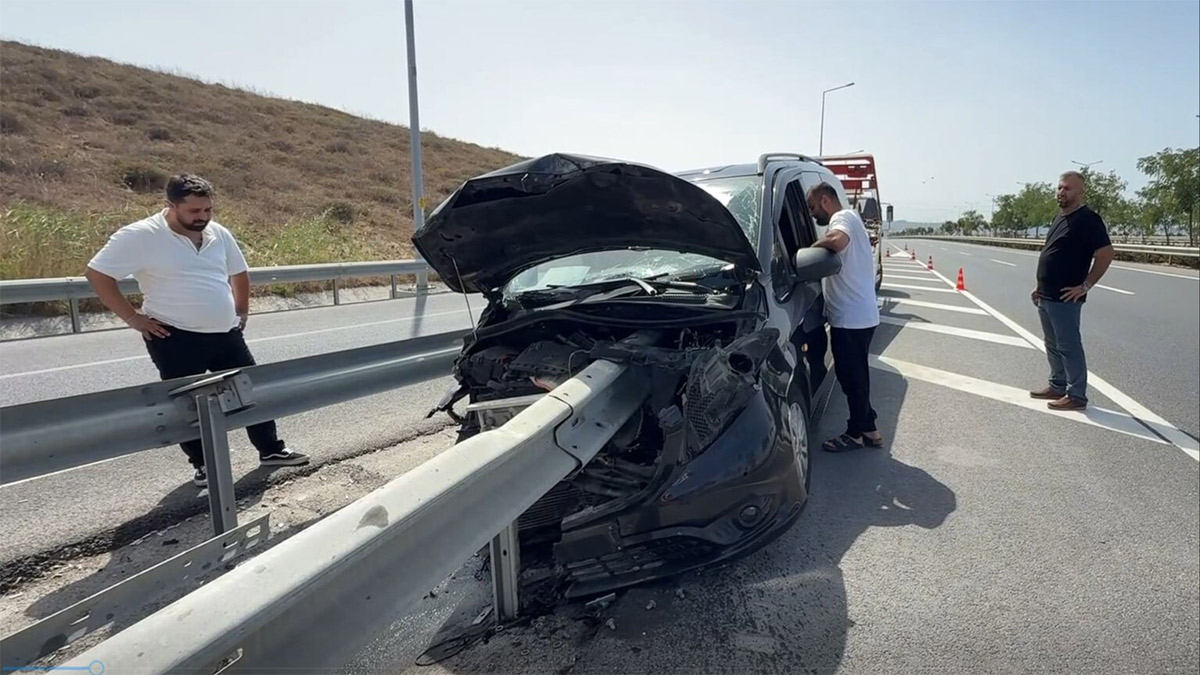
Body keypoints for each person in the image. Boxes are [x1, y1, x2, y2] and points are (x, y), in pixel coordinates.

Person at [85, 174, 309, 487]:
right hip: (175, 337)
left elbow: (239, 272)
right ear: (171, 205)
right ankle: (204, 465)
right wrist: (134, 318)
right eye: (194, 212)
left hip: (226, 333)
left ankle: (271, 450)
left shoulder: (218, 233)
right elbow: (97, 274)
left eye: (207, 210)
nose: (202, 217)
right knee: (189, 405)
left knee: (249, 392)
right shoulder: (139, 236)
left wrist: (241, 310)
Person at [806, 182, 884, 452]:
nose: (813, 214)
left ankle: (857, 434)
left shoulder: (842, 218)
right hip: (857, 315)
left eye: (814, 207)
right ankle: (870, 429)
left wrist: (807, 251)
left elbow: (837, 241)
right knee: (855, 376)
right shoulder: (850, 218)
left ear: (826, 200)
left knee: (852, 378)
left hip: (851, 318)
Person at [1029, 170, 1115, 411]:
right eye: (1059, 188)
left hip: (1066, 297)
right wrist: (1039, 285)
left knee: (1069, 345)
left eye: (1067, 188)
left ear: (1080, 191)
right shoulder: (1060, 218)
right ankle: (1057, 384)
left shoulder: (1088, 219)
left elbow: (1106, 254)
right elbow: (1052, 253)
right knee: (1052, 344)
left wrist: (1085, 286)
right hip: (1046, 294)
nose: (1061, 192)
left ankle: (1076, 395)